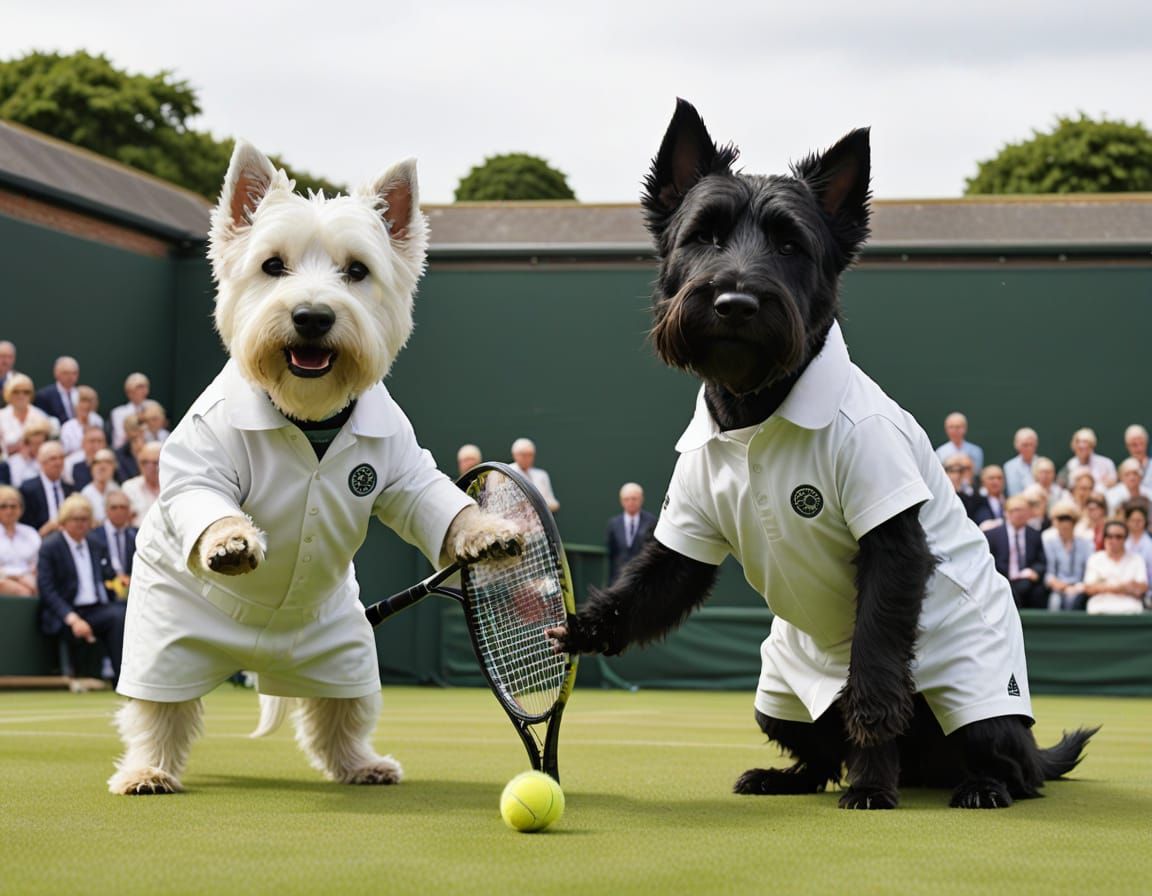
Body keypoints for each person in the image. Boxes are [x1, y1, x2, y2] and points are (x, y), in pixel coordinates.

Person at [36, 494, 126, 683]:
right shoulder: (50, 547)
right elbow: (47, 589)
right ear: (64, 521)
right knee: (114, 616)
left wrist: (122, 581)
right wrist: (73, 619)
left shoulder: (95, 544)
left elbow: (108, 574)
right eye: (75, 519)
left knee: (122, 614)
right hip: (66, 613)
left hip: (95, 608)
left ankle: (123, 680)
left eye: (85, 519)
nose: (80, 524)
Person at [985, 495, 1047, 609]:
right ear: (1006, 513)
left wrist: (1035, 572)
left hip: (1026, 580)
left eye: (1023, 510)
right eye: (1015, 510)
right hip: (1002, 580)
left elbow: (1041, 561)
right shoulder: (992, 535)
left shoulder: (1034, 535)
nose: (1019, 514)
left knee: (1039, 591)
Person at [1082, 519, 1147, 615]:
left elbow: (1141, 588)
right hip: (1099, 607)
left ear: (1125, 539)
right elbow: (1089, 588)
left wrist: (1103, 585)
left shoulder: (1137, 559)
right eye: (1110, 536)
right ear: (1104, 538)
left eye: (1119, 537)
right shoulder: (1095, 559)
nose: (1114, 540)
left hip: (1130, 608)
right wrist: (1124, 586)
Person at [1040, 499, 1093, 611]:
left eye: (1068, 519)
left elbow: (1089, 569)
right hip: (1057, 587)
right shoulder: (1048, 540)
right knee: (1054, 602)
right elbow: (1049, 572)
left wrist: (1079, 587)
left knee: (1076, 601)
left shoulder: (1085, 542)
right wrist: (1060, 585)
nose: (1064, 524)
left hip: (1079, 587)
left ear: (1074, 523)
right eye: (1060, 519)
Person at [19, 440, 75, 536]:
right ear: (42, 462)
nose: (58, 462)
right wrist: (45, 529)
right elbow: (24, 525)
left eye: (61, 458)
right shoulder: (28, 489)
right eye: (53, 459)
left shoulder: (69, 489)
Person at [605, 482, 657, 584]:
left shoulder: (651, 522)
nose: (630, 502)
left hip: (643, 577)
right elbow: (612, 553)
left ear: (641, 499)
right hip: (619, 578)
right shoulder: (613, 524)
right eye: (626, 499)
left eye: (634, 499)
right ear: (621, 501)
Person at [89, 491, 136, 598]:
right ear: (106, 510)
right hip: (105, 592)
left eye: (123, 507)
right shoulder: (93, 536)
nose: (119, 511)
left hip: (131, 589)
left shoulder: (135, 535)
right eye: (114, 507)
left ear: (129, 511)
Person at [0, 373, 56, 455]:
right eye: (16, 392)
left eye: (26, 392)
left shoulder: (40, 415)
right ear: (8, 394)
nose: (21, 396)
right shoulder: (1, 416)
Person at [0, 484, 40, 596]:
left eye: (13, 506)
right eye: (3, 506)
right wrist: (17, 577)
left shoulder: (30, 533)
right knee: (23, 592)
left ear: (21, 509)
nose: (9, 511)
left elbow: (37, 562)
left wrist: (28, 577)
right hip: (3, 580)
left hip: (29, 579)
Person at [511, 437, 559, 512]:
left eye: (530, 455)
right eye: (523, 455)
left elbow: (553, 503)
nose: (527, 458)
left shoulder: (542, 475)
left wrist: (541, 505)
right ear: (515, 455)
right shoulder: (508, 472)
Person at [120, 441, 162, 525]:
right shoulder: (129, 487)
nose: (149, 467)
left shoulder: (173, 486)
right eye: (144, 462)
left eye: (155, 462)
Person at [33, 355, 81, 425]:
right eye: (66, 373)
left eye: (74, 373)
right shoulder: (44, 396)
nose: (70, 377)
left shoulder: (81, 394)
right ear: (56, 373)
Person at [942, 452, 988, 523]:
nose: (956, 474)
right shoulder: (939, 493)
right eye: (951, 470)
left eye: (960, 470)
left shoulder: (975, 493)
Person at [109, 372, 150, 449]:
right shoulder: (118, 413)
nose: (144, 391)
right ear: (129, 392)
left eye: (146, 387)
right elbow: (120, 438)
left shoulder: (153, 407)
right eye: (139, 387)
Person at [80, 448, 122, 524]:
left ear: (114, 467)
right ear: (92, 468)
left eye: (107, 462)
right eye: (97, 463)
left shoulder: (118, 490)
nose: (102, 467)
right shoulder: (85, 494)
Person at [59, 385, 104, 456]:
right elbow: (65, 452)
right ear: (75, 404)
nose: (86, 406)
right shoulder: (67, 427)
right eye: (82, 401)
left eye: (89, 402)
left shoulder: (98, 421)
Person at [6, 419, 53, 486]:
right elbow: (17, 484)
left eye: (42, 443)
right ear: (26, 444)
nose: (39, 448)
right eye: (35, 444)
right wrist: (27, 460)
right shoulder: (16, 461)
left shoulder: (52, 458)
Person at [1121, 502, 1152, 601]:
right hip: (1122, 588)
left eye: (1139, 520)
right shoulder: (1121, 541)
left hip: (1147, 592)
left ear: (1145, 522)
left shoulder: (1149, 545)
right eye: (1133, 520)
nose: (1136, 523)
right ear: (1127, 522)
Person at [64, 425, 108, 489]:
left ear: (105, 444)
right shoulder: (70, 464)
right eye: (92, 441)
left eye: (100, 441)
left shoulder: (112, 463)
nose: (96, 446)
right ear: (83, 444)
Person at [1003, 427, 1039, 496]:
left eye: (1031, 444)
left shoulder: (1043, 463)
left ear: (1036, 445)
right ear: (1016, 445)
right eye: (1025, 445)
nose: (1029, 448)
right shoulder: (1009, 466)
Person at [976, 464, 1007, 530]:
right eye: (991, 478)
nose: (996, 481)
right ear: (983, 481)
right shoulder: (976, 503)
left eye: (999, 478)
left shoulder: (1009, 500)